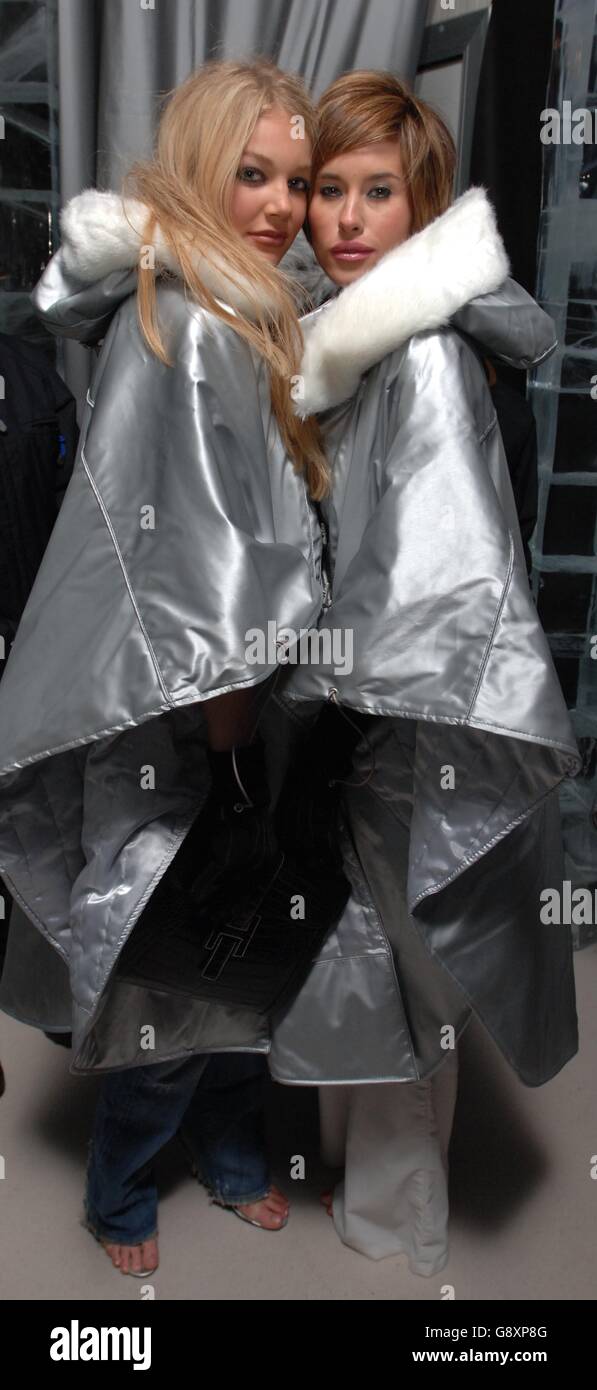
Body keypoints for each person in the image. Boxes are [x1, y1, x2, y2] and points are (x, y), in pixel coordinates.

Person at [0, 57, 328, 1276]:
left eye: (295, 178)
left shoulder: (245, 307)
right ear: (199, 168)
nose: (284, 204)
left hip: (251, 705)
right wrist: (234, 743)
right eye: (254, 174)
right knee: (178, 968)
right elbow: (190, 565)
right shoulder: (188, 325)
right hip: (192, 718)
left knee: (247, 957)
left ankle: (237, 1164)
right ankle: (123, 1192)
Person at [263, 71, 581, 1274]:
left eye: (376, 192)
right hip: (354, 712)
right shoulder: (351, 339)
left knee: (403, 960)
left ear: (422, 201)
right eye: (328, 190)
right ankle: (366, 1182)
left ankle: (398, 1220)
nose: (344, 217)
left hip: (404, 723)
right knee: (368, 954)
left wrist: (342, 709)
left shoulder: (425, 357)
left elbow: (444, 576)